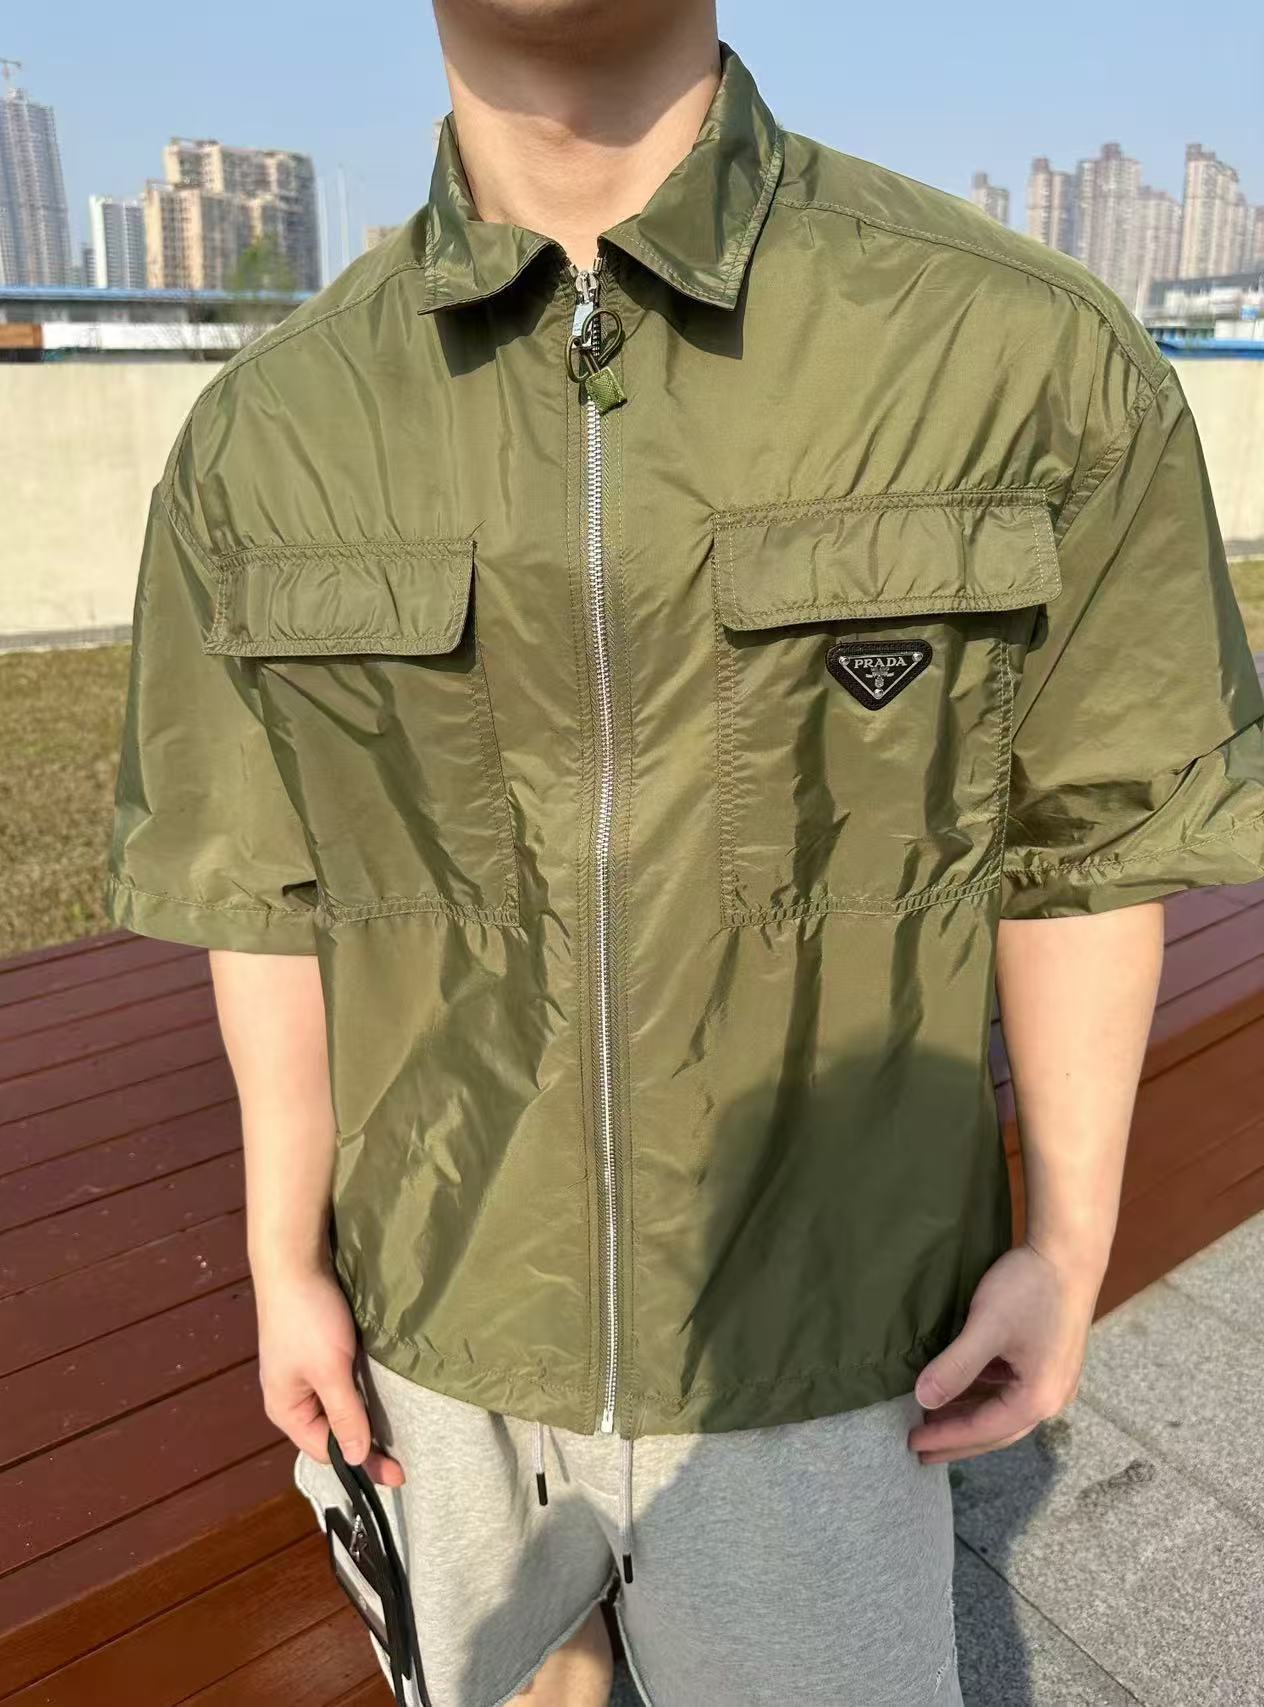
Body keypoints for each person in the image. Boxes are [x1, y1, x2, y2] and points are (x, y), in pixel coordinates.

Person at [105, 2, 1264, 1703]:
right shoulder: (269, 436)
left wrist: (1070, 1241)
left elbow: (1088, 838)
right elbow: (266, 888)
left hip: (833, 1345)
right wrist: (287, 1262)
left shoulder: (1021, 357)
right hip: (439, 1337)